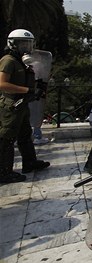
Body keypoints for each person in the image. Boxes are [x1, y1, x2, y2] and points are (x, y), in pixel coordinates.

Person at [0, 29, 50, 184]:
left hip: (22, 103)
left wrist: (37, 85)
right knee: (6, 138)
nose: (26, 47)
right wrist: (28, 90)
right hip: (11, 104)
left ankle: (29, 162)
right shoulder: (9, 60)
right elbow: (2, 84)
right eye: (22, 43)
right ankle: (4, 172)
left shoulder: (21, 60)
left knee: (25, 135)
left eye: (28, 43)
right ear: (12, 43)